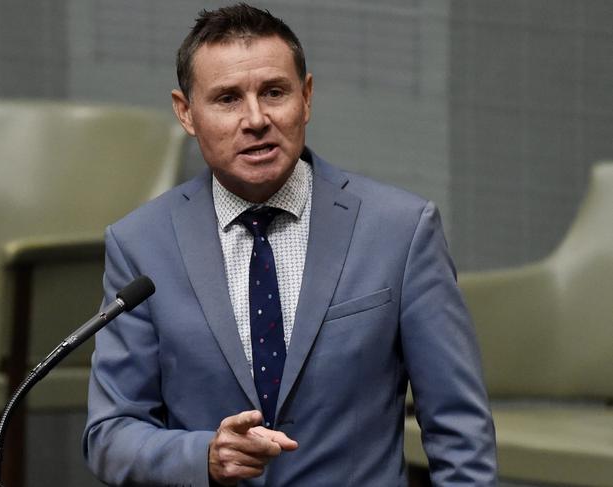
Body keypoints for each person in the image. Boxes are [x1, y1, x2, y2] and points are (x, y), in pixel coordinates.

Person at [83, 4, 497, 486]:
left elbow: (459, 430)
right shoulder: (141, 244)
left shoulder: (399, 230)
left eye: (274, 92)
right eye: (227, 99)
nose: (256, 119)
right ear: (186, 112)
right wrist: (204, 456)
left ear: (307, 97)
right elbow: (110, 434)